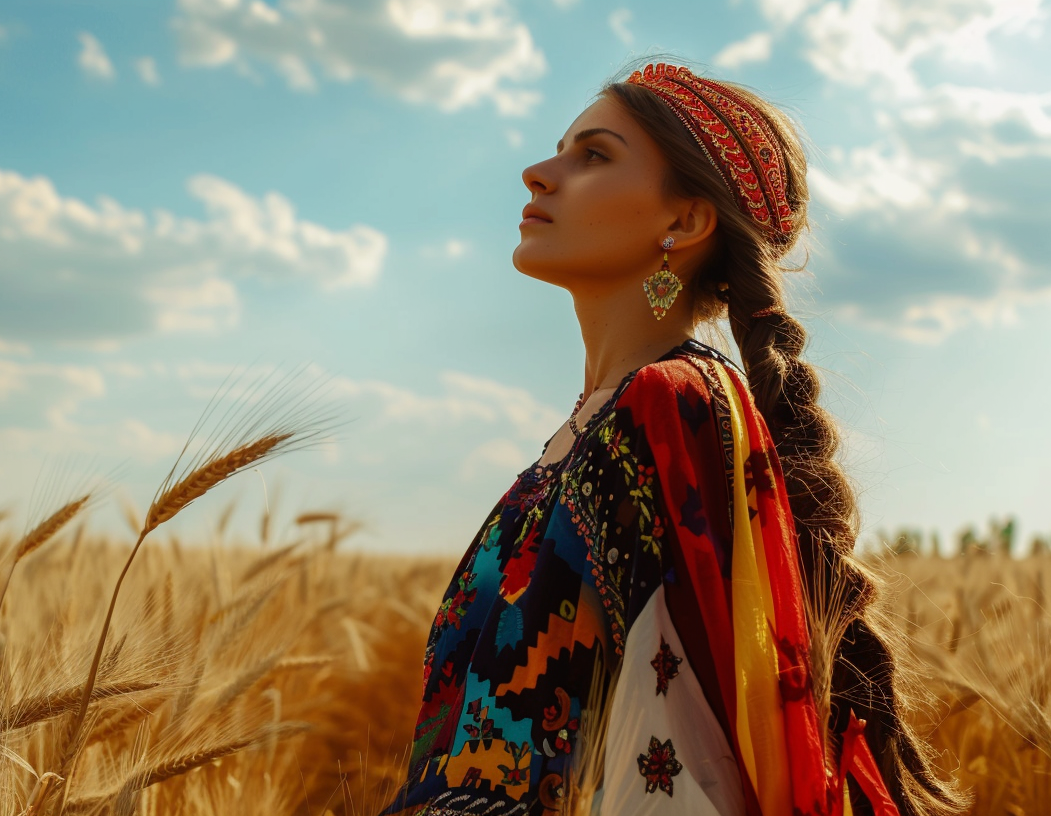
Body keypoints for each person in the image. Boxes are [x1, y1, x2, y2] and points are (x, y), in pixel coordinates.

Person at [380, 63, 969, 816]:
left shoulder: (671, 407)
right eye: (561, 148)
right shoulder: (587, 428)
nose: (537, 173)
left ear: (685, 223)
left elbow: (680, 751)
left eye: (592, 155)